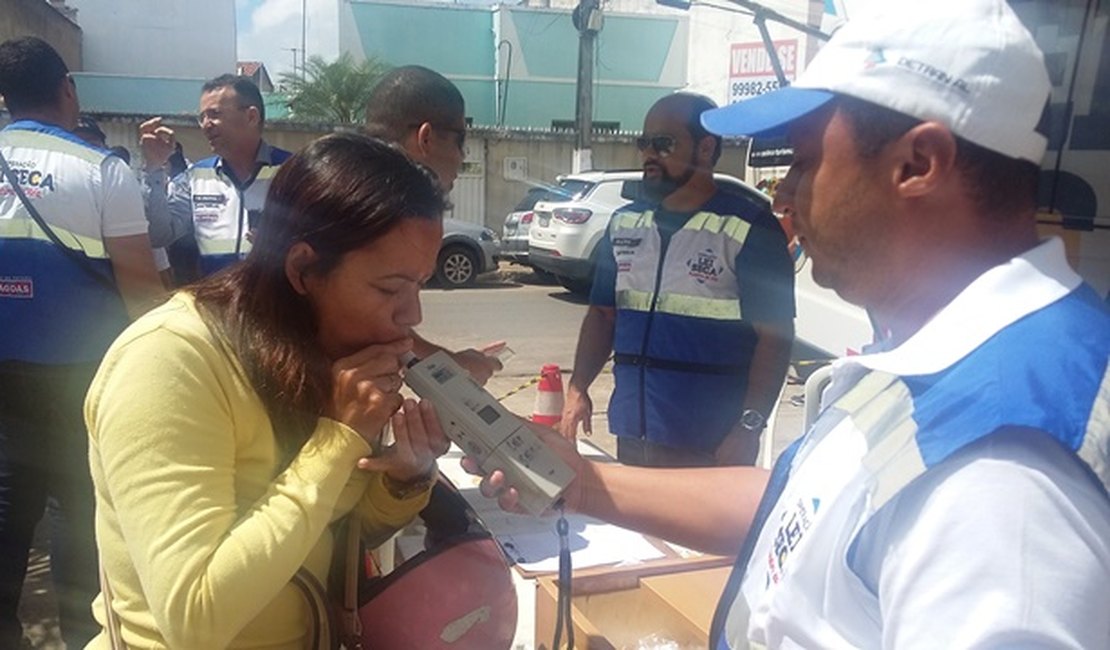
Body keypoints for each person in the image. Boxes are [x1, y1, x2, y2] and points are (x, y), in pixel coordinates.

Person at [472, 1, 1110, 647]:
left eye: (804, 161)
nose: (782, 194)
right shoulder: (950, 360)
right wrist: (582, 481)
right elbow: (809, 507)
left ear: (917, 165)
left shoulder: (1003, 466)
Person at [86, 133, 452, 648]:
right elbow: (196, 619)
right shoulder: (170, 361)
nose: (411, 316)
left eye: (420, 285)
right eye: (389, 289)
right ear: (302, 268)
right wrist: (337, 441)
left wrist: (405, 479)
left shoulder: (314, 349)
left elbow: (322, 538)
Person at [0, 37, 165, 648]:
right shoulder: (101, 169)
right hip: (85, 375)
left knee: (6, 502)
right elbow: (143, 292)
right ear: (67, 88)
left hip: (4, 375)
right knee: (78, 507)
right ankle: (81, 636)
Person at [560, 92, 795, 467]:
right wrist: (578, 389)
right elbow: (603, 316)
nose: (649, 154)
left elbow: (775, 338)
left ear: (705, 148)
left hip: (712, 441)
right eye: (644, 143)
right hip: (634, 432)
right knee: (635, 528)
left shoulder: (750, 228)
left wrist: (749, 427)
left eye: (663, 143)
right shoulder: (624, 224)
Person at [364, 64, 503, 383]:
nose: (462, 156)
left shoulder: (352, 184)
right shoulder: (372, 204)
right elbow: (375, 331)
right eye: (460, 140)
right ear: (426, 137)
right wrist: (456, 367)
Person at [139, 74, 291, 276]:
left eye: (215, 114)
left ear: (251, 117)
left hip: (276, 301)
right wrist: (154, 167)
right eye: (202, 117)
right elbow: (159, 235)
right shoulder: (195, 177)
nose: (205, 125)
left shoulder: (294, 171)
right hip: (216, 303)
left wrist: (284, 247)